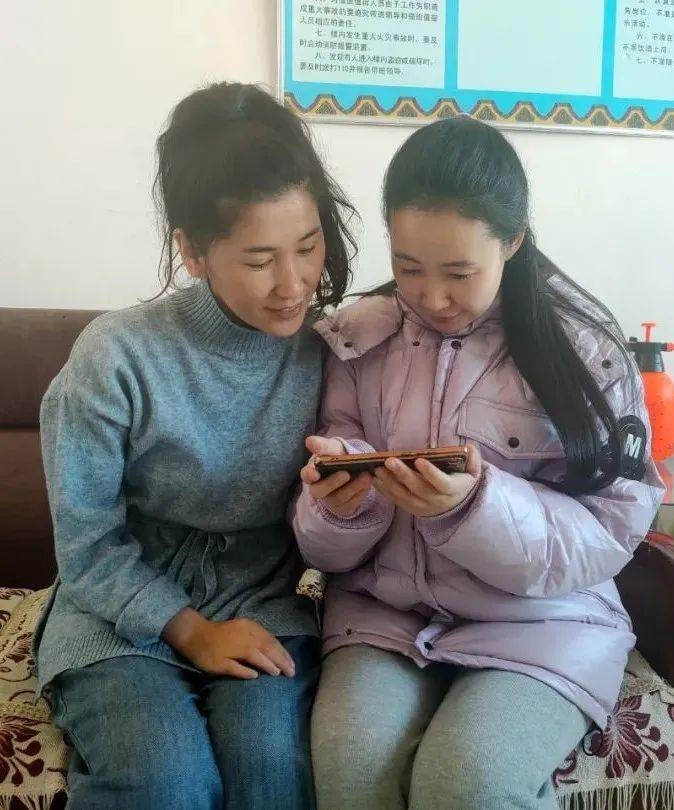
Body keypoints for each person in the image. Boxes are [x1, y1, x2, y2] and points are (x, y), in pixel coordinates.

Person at [291, 116, 665, 810]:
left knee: (468, 783)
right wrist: (339, 506)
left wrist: (474, 509)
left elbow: (613, 527)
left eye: (460, 273)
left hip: (544, 625)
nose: (431, 297)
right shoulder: (354, 340)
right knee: (350, 770)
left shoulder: (584, 350)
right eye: (408, 268)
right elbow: (323, 548)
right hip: (384, 616)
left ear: (513, 241)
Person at [34, 81, 356, 810]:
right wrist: (192, 631)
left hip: (263, 608)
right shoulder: (116, 357)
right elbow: (87, 545)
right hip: (118, 619)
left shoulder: (334, 349)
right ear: (192, 251)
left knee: (269, 771)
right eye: (259, 259)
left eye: (309, 247)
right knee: (163, 781)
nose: (294, 284)